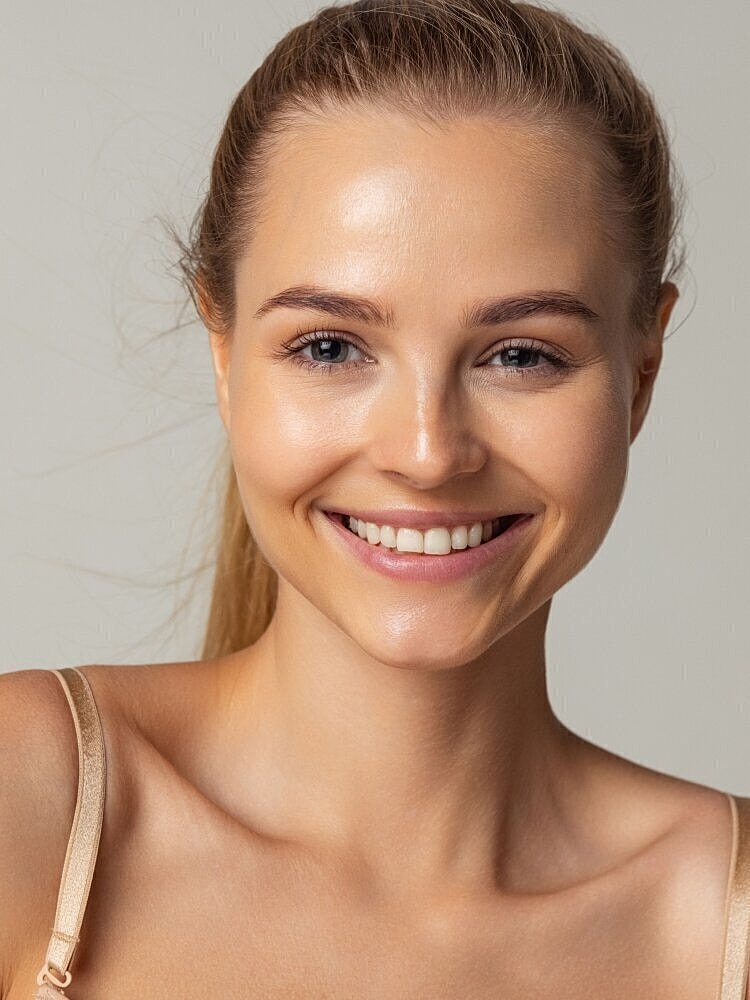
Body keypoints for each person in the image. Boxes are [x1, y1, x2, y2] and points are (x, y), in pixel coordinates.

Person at [2, 1, 747, 997]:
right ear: (223, 354)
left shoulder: (719, 919)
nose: (429, 453)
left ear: (641, 369)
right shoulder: (34, 809)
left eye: (520, 354)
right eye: (330, 347)